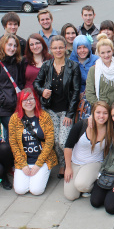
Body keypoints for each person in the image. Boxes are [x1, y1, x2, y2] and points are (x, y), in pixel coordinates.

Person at [33, 35, 81, 178]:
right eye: (55, 48)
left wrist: (70, 114)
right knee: (54, 140)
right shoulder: (47, 66)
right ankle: (62, 164)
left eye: (61, 47)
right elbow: (36, 83)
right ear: (50, 49)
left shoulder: (73, 66)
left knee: (63, 141)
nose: (58, 50)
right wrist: (42, 91)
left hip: (66, 110)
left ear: (65, 48)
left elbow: (76, 91)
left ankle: (71, 163)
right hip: (50, 110)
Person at [8, 88, 57, 195]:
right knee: (20, 190)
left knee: (36, 191)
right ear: (20, 103)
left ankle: (44, 173)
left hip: (42, 159)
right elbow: (13, 144)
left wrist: (38, 164)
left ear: (36, 100)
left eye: (31, 99)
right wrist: (22, 164)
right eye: (25, 100)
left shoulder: (44, 116)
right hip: (24, 160)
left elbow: (49, 142)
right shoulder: (14, 119)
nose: (28, 102)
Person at [64, 101, 111, 200]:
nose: (101, 116)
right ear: (93, 113)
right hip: (76, 162)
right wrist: (68, 167)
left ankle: (91, 185)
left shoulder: (110, 129)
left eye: (105, 113)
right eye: (98, 112)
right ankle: (83, 182)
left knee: (82, 185)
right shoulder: (82, 125)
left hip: (94, 163)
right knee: (71, 196)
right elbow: (68, 146)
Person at [85, 34, 114, 106]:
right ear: (99, 53)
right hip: (101, 110)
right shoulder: (93, 70)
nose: (106, 55)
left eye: (108, 52)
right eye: (102, 53)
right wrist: (100, 107)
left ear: (112, 50)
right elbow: (89, 93)